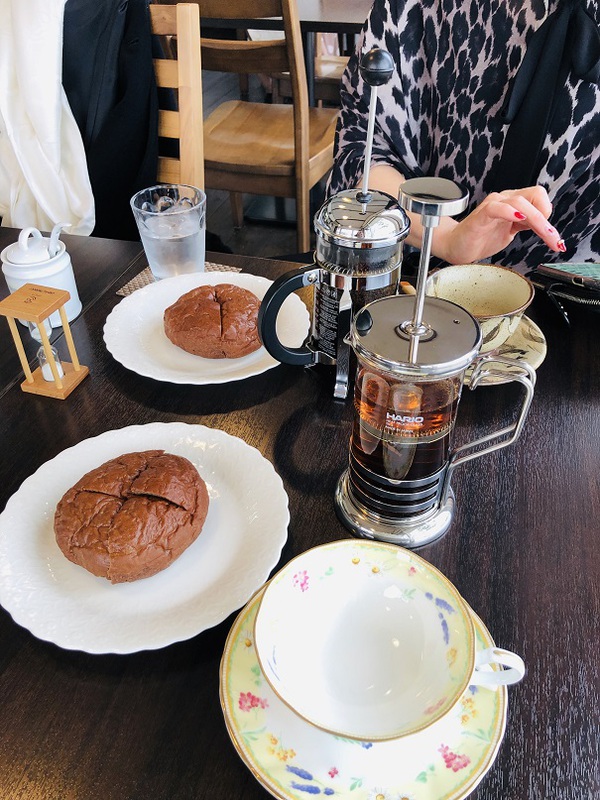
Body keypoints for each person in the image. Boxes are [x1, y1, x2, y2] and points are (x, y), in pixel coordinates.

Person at [328, 0, 600, 269]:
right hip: (423, 269)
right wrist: (446, 238)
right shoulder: (418, 7)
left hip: (578, 286)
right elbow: (362, 148)